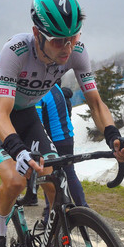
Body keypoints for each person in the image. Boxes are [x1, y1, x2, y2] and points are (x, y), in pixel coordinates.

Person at [0, 0, 124, 247]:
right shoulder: (16, 51)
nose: (68, 48)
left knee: (55, 182)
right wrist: (18, 150)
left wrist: (113, 136)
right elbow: (1, 114)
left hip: (27, 116)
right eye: (59, 40)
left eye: (74, 38)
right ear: (37, 34)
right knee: (14, 181)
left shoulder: (77, 53)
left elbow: (95, 103)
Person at [36, 82, 89, 224]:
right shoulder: (56, 87)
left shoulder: (39, 91)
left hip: (52, 138)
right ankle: (84, 209)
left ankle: (50, 218)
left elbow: (37, 123)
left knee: (48, 176)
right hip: (67, 136)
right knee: (70, 173)